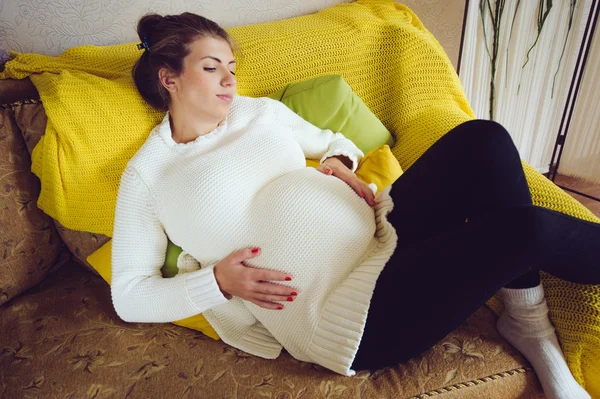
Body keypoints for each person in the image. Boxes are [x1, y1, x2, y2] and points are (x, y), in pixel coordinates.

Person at [112, 12, 600, 399]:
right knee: (525, 230)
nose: (229, 82)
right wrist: (216, 282)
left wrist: (341, 164)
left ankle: (525, 318)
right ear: (168, 78)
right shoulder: (149, 174)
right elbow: (130, 294)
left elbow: (333, 141)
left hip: (382, 235)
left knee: (485, 138)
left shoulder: (256, 112)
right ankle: (536, 334)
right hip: (354, 315)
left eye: (231, 69)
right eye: (211, 68)